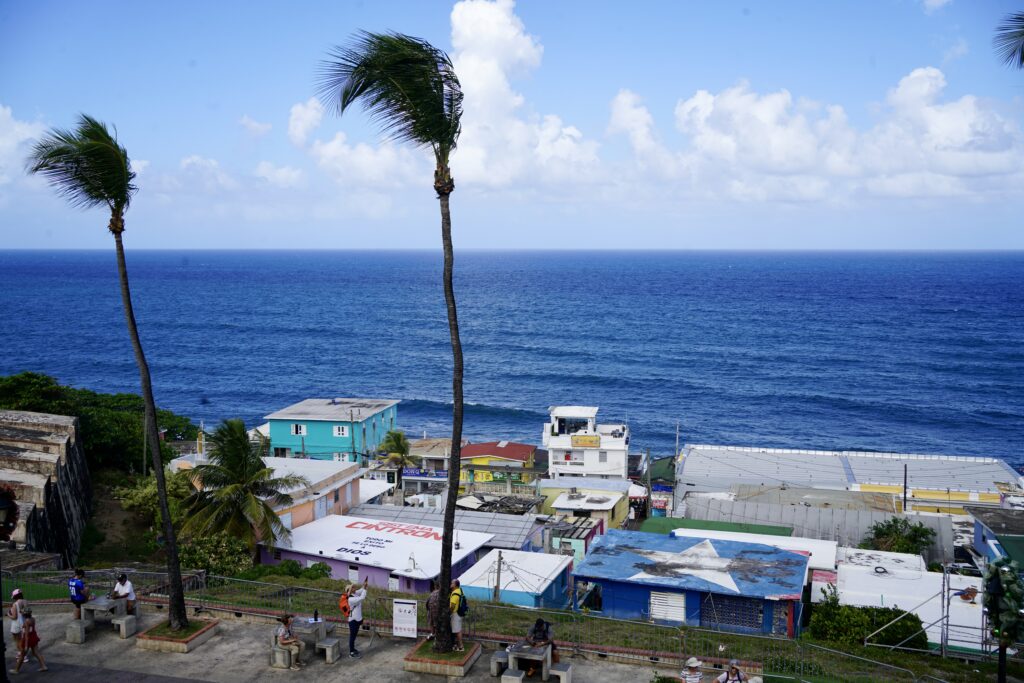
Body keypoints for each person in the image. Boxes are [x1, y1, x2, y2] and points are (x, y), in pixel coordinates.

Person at [11, 608, 47, 674]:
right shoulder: (32, 619)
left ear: (24, 614)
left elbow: (27, 635)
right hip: (34, 636)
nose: (21, 613)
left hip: (28, 638)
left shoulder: (27, 621)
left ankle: (16, 670)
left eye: (22, 613)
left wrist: (26, 646)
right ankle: (43, 666)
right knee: (36, 652)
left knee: (22, 655)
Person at [347, 578, 368, 659]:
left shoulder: (354, 594)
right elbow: (362, 597)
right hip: (353, 620)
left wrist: (364, 585)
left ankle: (353, 649)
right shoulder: (351, 599)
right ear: (349, 590)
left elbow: (360, 590)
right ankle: (351, 653)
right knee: (352, 636)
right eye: (352, 587)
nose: (354, 588)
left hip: (357, 619)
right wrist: (365, 589)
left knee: (354, 636)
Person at [8, 589, 27, 663]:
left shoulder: (15, 604)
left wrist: (9, 614)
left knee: (17, 641)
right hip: (24, 623)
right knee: (21, 640)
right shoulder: (25, 601)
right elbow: (27, 612)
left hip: (16, 624)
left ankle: (23, 657)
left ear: (15, 596)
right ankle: (20, 654)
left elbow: (14, 617)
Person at [449, 579, 465, 652]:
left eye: (452, 583)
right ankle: (457, 645)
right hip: (460, 613)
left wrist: (449, 613)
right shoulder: (460, 590)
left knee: (457, 631)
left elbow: (452, 606)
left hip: (455, 614)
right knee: (458, 630)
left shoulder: (455, 594)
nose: (451, 583)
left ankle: (461, 647)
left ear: (455, 585)